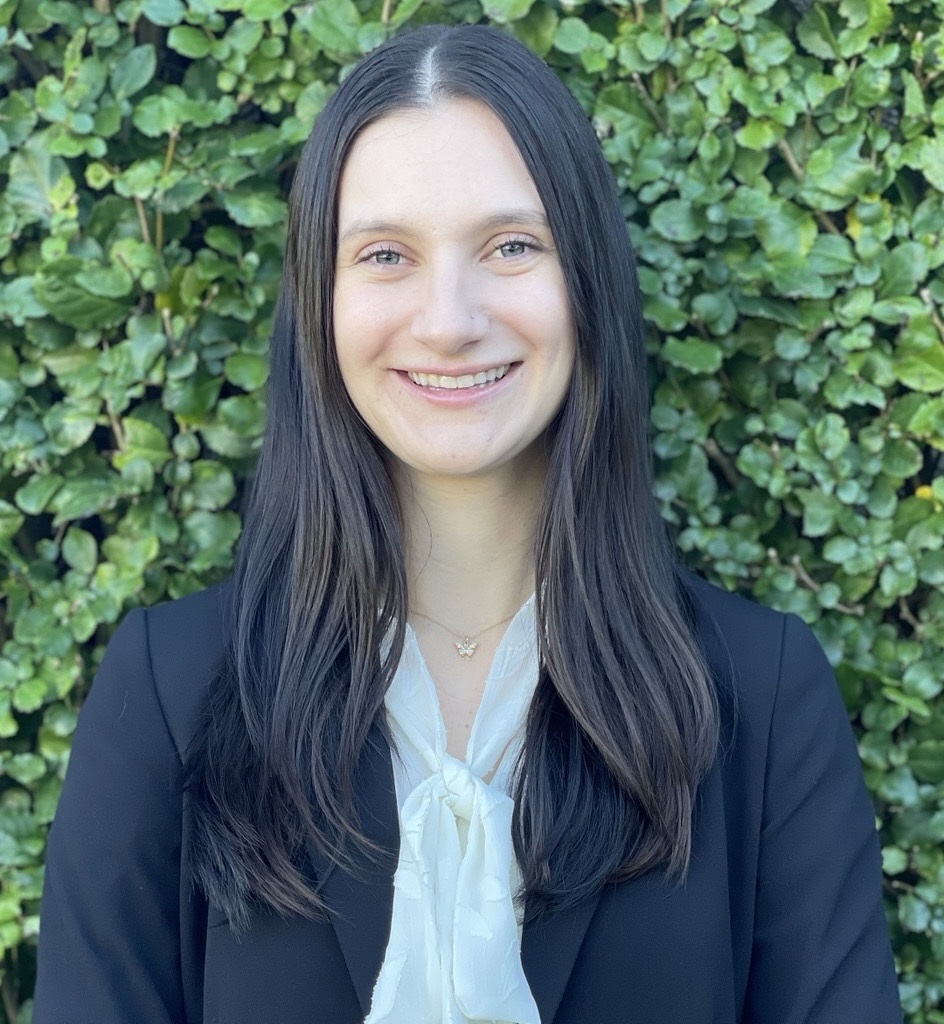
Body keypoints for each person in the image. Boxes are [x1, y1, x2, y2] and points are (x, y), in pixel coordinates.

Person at [33, 22, 901, 1024]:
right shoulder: (168, 692)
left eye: (511, 246)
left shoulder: (761, 697)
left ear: (587, 281)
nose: (448, 320)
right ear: (319, 300)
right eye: (385, 254)